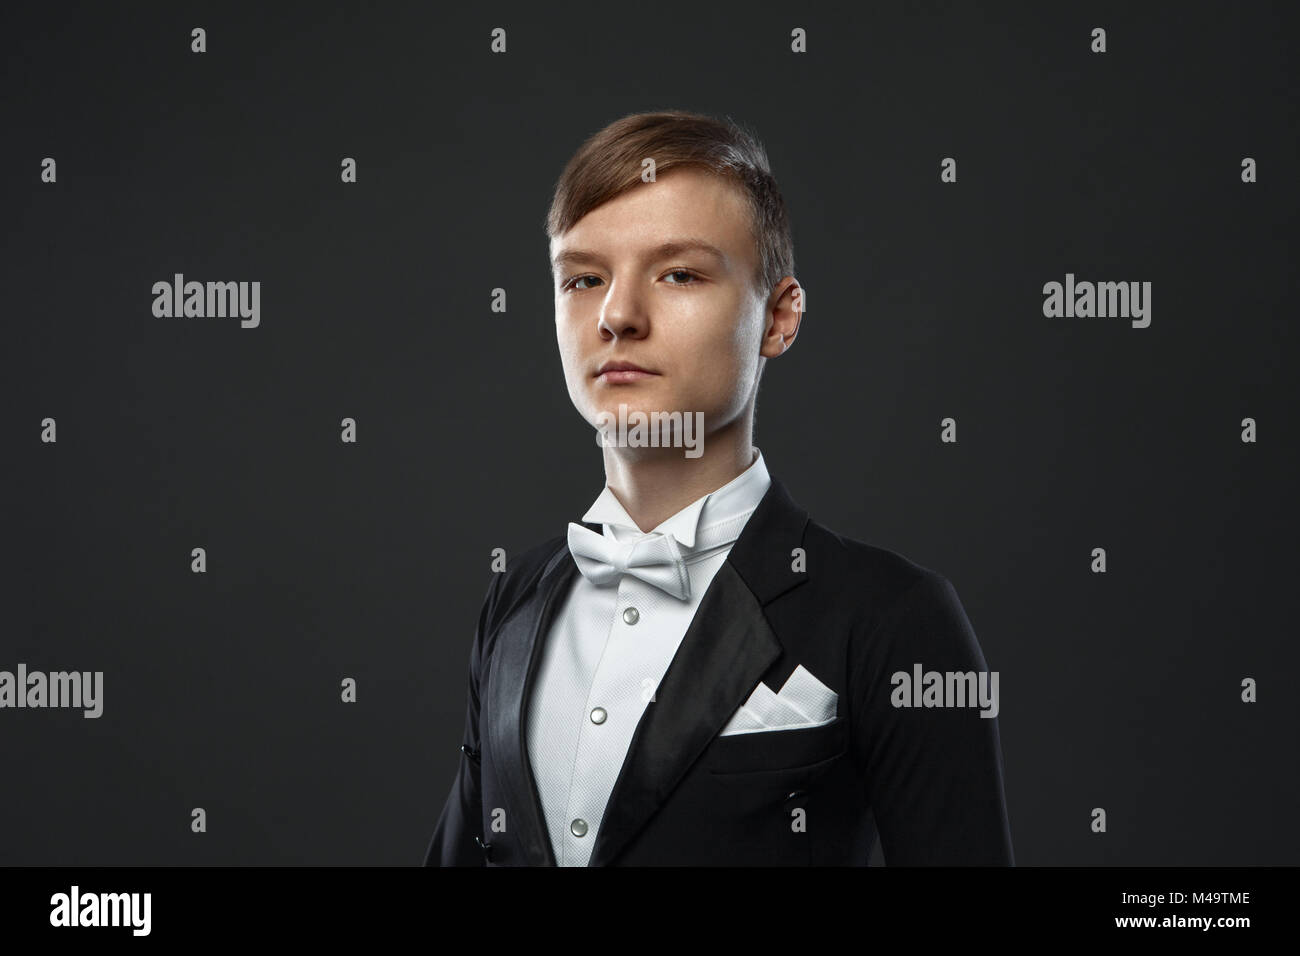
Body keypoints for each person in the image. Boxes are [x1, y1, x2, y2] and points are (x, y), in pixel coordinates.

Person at [425, 109, 1013, 866]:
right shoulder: (513, 605)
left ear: (778, 318)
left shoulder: (892, 616)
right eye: (583, 277)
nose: (617, 315)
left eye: (679, 274)